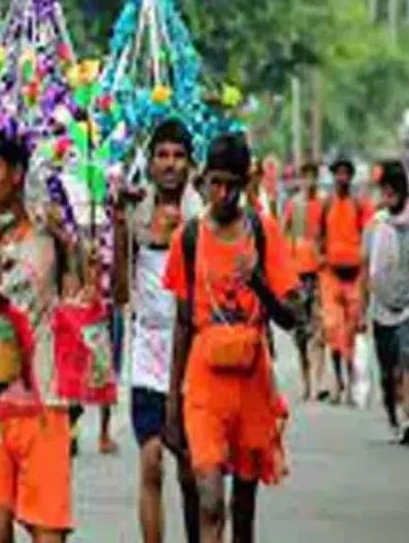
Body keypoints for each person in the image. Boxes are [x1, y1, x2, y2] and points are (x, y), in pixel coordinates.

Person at [162, 133, 299, 543]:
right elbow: (183, 324)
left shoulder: (264, 231)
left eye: (231, 185)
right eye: (214, 183)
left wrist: (258, 282)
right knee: (209, 502)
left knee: (243, 510)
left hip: (252, 382)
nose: (221, 194)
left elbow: (292, 318)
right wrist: (172, 402)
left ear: (245, 183)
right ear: (203, 180)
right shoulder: (187, 239)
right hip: (204, 383)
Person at [0, 125, 81, 543]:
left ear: (16, 172)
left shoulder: (47, 237)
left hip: (44, 402)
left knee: (48, 534)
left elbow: (71, 294)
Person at [112, 119, 204, 543]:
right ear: (148, 163)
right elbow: (119, 292)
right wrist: (118, 227)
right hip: (147, 350)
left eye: (178, 156)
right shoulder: (135, 212)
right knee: (150, 461)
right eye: (162, 155)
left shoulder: (201, 217)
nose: (169, 165)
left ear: (191, 164)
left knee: (188, 466)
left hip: (190, 352)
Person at [360, 162, 409, 445]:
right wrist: (362, 306)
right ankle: (393, 417)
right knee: (388, 372)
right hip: (381, 307)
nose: (388, 197)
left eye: (393, 192)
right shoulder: (375, 226)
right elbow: (366, 267)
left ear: (403, 192)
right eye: (384, 192)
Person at [319, 157, 368, 404]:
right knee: (333, 329)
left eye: (345, 173)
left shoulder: (359, 205)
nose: (342, 178)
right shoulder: (326, 204)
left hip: (354, 276)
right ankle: (338, 383)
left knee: (350, 333)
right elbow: (319, 236)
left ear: (350, 177)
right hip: (331, 275)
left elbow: (367, 236)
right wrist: (321, 258)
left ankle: (350, 385)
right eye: (337, 173)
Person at [282, 161, 325, 401]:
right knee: (300, 332)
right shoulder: (294, 206)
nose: (310, 181)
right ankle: (306, 381)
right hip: (297, 273)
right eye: (306, 176)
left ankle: (319, 383)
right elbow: (283, 233)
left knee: (319, 328)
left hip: (317, 272)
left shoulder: (323, 204)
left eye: (313, 176)